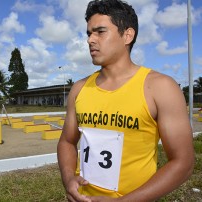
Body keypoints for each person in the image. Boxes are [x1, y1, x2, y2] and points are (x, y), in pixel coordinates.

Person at [57, 0, 194, 201]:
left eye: (100, 32)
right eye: (88, 33)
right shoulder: (79, 89)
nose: (90, 40)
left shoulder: (160, 87)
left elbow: (184, 163)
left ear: (127, 35)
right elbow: (67, 141)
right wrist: (69, 179)